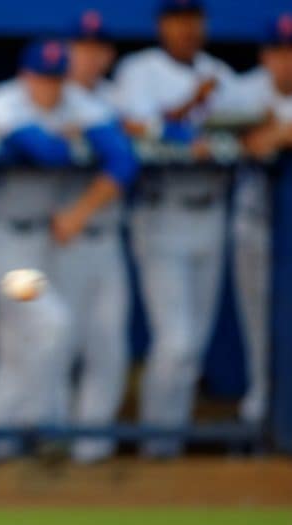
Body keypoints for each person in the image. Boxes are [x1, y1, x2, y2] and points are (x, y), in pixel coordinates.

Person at [0, 40, 137, 459]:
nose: (50, 88)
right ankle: (37, 429)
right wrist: (77, 140)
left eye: (56, 78)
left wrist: (80, 146)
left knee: (17, 337)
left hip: (37, 239)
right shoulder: (2, 100)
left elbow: (122, 159)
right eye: (41, 78)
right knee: (49, 321)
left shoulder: (76, 101)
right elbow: (42, 150)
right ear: (26, 76)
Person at [113, 0, 243, 457]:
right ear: (162, 25)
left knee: (195, 347)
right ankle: (156, 443)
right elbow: (133, 127)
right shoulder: (140, 71)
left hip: (211, 209)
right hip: (162, 207)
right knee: (177, 340)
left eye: (193, 19)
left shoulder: (219, 72)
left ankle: (169, 446)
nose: (186, 28)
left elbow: (250, 126)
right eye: (177, 19)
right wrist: (191, 113)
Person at [59, 11, 136, 463]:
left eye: (97, 48)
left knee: (108, 344)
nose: (89, 57)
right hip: (62, 239)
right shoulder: (53, 94)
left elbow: (126, 159)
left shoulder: (116, 99)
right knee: (58, 342)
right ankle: (48, 442)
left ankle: (90, 453)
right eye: (81, 48)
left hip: (103, 232)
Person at [231, 13, 292, 425]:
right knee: (260, 329)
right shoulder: (243, 89)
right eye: (278, 51)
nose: (285, 60)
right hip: (256, 223)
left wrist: (281, 132)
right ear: (264, 55)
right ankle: (262, 418)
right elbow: (213, 135)